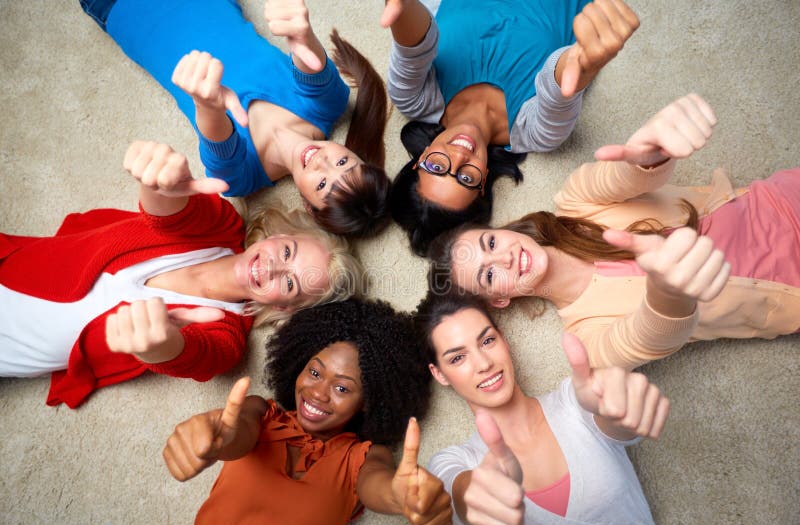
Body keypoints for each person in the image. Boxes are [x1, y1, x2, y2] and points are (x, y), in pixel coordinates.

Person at [427, 94, 800, 369]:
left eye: (490, 243)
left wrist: (649, 152)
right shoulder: (587, 340)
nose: (504, 256)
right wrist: (667, 290)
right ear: (499, 300)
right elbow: (649, 336)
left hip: (781, 200)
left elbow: (625, 174)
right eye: (489, 273)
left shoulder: (575, 200)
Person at [0, 141, 363, 408]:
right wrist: (159, 182)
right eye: (287, 252)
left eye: (289, 282)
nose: (272, 266)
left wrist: (161, 346)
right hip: (15, 264)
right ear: (280, 235)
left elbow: (193, 356)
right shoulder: (221, 224)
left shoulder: (227, 337)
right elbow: (166, 210)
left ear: (286, 308)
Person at [80, 0, 390, 237]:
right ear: (356, 154)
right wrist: (301, 31)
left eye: (323, 184)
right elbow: (308, 59)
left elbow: (217, 136)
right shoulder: (330, 104)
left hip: (124, 10)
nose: (323, 163)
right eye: (343, 164)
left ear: (308, 206)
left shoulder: (241, 179)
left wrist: (209, 106)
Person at [163, 299, 453, 525]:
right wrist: (217, 438)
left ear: (368, 402)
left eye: (342, 387)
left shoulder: (361, 457)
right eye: (314, 372)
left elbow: (378, 485)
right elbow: (235, 434)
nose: (318, 393)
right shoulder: (262, 413)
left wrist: (401, 496)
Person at [380, 0, 640, 254]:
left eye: (437, 167)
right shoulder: (537, 133)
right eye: (466, 178)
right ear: (482, 187)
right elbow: (559, 82)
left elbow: (413, 45)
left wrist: (402, 5)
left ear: (420, 158)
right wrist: (584, 61)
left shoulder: (414, 99)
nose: (459, 156)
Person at [415, 292, 669, 525]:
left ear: (503, 339)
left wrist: (622, 408)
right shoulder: (452, 462)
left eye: (488, 341)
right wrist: (479, 494)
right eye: (457, 358)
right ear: (439, 374)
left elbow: (613, 419)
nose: (484, 363)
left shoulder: (574, 400)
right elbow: (460, 494)